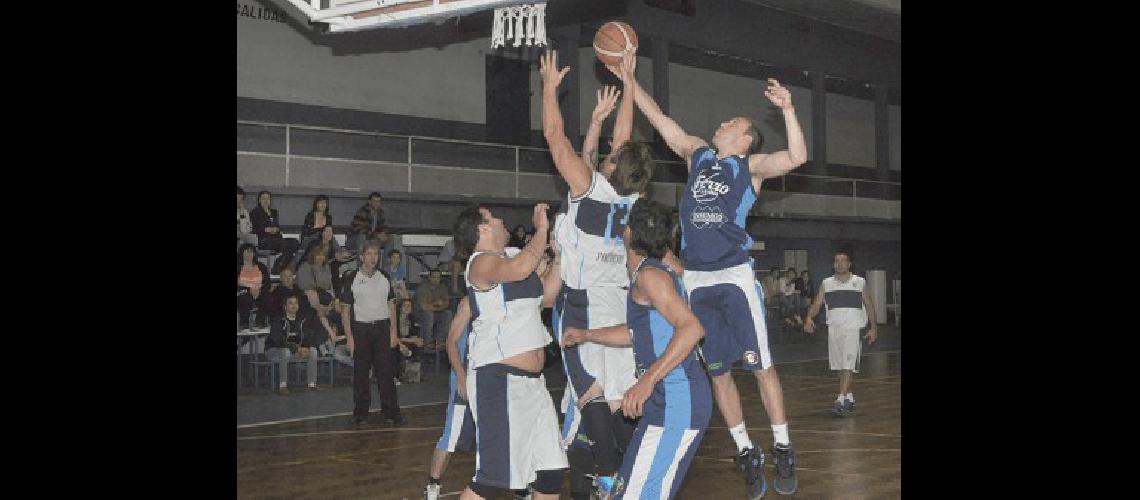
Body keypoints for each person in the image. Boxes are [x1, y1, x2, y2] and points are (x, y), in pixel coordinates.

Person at [629, 65, 808, 496]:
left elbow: (797, 157)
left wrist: (788, 109)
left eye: (733, 122)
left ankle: (782, 445)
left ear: (745, 138)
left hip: (733, 274)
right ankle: (747, 450)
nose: (723, 123)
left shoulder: (753, 166)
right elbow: (661, 122)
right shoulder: (698, 154)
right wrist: (629, 78)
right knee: (718, 370)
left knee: (761, 367)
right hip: (696, 277)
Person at [541, 49, 653, 494]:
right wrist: (628, 80)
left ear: (610, 166)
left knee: (590, 396)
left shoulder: (587, 192)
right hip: (620, 308)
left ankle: (608, 478)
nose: (609, 151)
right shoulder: (633, 201)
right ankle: (631, 473)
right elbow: (623, 139)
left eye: (610, 153)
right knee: (618, 402)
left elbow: (553, 135)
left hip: (583, 308)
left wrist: (549, 88)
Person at [561, 200, 711, 499]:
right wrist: (586, 334)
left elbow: (692, 328)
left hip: (678, 400)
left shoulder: (649, 276)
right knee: (624, 491)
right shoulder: (648, 275)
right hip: (665, 401)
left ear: (629, 233)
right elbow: (634, 333)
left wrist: (647, 380)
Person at [452, 203, 567, 500]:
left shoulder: (514, 258)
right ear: (483, 228)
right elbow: (519, 270)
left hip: (532, 384)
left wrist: (561, 253)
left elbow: (548, 296)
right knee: (492, 481)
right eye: (494, 217)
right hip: (498, 380)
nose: (503, 221)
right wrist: (541, 230)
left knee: (550, 474)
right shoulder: (481, 263)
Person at [338, 239, 406, 427]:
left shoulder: (384, 277)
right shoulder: (351, 278)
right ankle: (360, 414)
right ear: (361, 257)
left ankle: (392, 413)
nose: (373, 258)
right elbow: (345, 310)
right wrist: (349, 338)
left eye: (376, 254)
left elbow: (391, 306)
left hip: (382, 329)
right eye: (369, 254)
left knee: (386, 373)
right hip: (361, 330)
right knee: (361, 374)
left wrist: (394, 333)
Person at [803, 250, 878, 417]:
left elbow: (869, 305)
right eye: (836, 261)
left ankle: (839, 399)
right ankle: (849, 397)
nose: (840, 264)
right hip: (834, 330)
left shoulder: (859, 282)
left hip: (853, 329)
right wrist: (808, 317)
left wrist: (873, 328)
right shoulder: (827, 283)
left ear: (849, 264)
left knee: (847, 366)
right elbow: (816, 304)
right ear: (833, 264)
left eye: (843, 261)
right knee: (839, 368)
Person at [424, 297, 476, 500]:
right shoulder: (469, 303)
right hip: (465, 378)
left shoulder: (502, 297)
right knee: (451, 435)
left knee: (498, 436)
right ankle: (433, 485)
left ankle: (519, 486)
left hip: (488, 381)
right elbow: (451, 342)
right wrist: (461, 378)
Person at [265, 295, 323, 394]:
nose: (294, 305)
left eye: (295, 303)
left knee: (312, 351)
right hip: (273, 351)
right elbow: (278, 341)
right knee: (285, 351)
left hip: (294, 350)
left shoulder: (302, 320)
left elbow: (308, 336)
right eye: (290, 303)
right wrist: (297, 348)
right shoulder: (278, 320)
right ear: (285, 306)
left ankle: (312, 384)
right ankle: (283, 386)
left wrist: (306, 347)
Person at [250, 190, 300, 274]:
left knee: (294, 243)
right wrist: (266, 229)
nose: (266, 201)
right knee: (284, 246)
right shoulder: (255, 212)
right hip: (264, 240)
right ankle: (279, 268)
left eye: (268, 198)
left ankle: (278, 265)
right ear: (259, 200)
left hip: (276, 239)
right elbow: (254, 229)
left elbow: (277, 226)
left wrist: (276, 229)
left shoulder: (274, 212)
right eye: (263, 198)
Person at [414, 269, 453, 352]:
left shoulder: (442, 287)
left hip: (435, 314)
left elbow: (446, 304)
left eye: (438, 277)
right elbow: (424, 307)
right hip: (419, 315)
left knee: (448, 313)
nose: (436, 279)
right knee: (429, 314)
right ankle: (427, 343)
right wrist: (437, 304)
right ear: (429, 277)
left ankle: (440, 342)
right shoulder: (423, 288)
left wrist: (435, 306)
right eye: (434, 277)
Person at [237, 243, 271, 330]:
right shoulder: (238, 267)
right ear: (242, 253)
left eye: (251, 252)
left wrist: (259, 289)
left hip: (259, 291)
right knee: (244, 297)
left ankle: (260, 322)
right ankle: (244, 323)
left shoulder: (261, 266)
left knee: (266, 296)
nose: (250, 254)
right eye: (247, 252)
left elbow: (267, 283)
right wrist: (249, 289)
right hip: (242, 292)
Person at [348, 192, 388, 256]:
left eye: (378, 201)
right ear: (369, 201)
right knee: (362, 237)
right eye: (374, 201)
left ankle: (389, 265)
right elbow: (360, 230)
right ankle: (361, 265)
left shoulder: (381, 212)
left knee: (392, 238)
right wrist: (377, 235)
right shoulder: (362, 211)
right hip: (355, 239)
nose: (376, 203)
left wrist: (384, 234)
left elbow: (384, 226)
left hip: (372, 238)